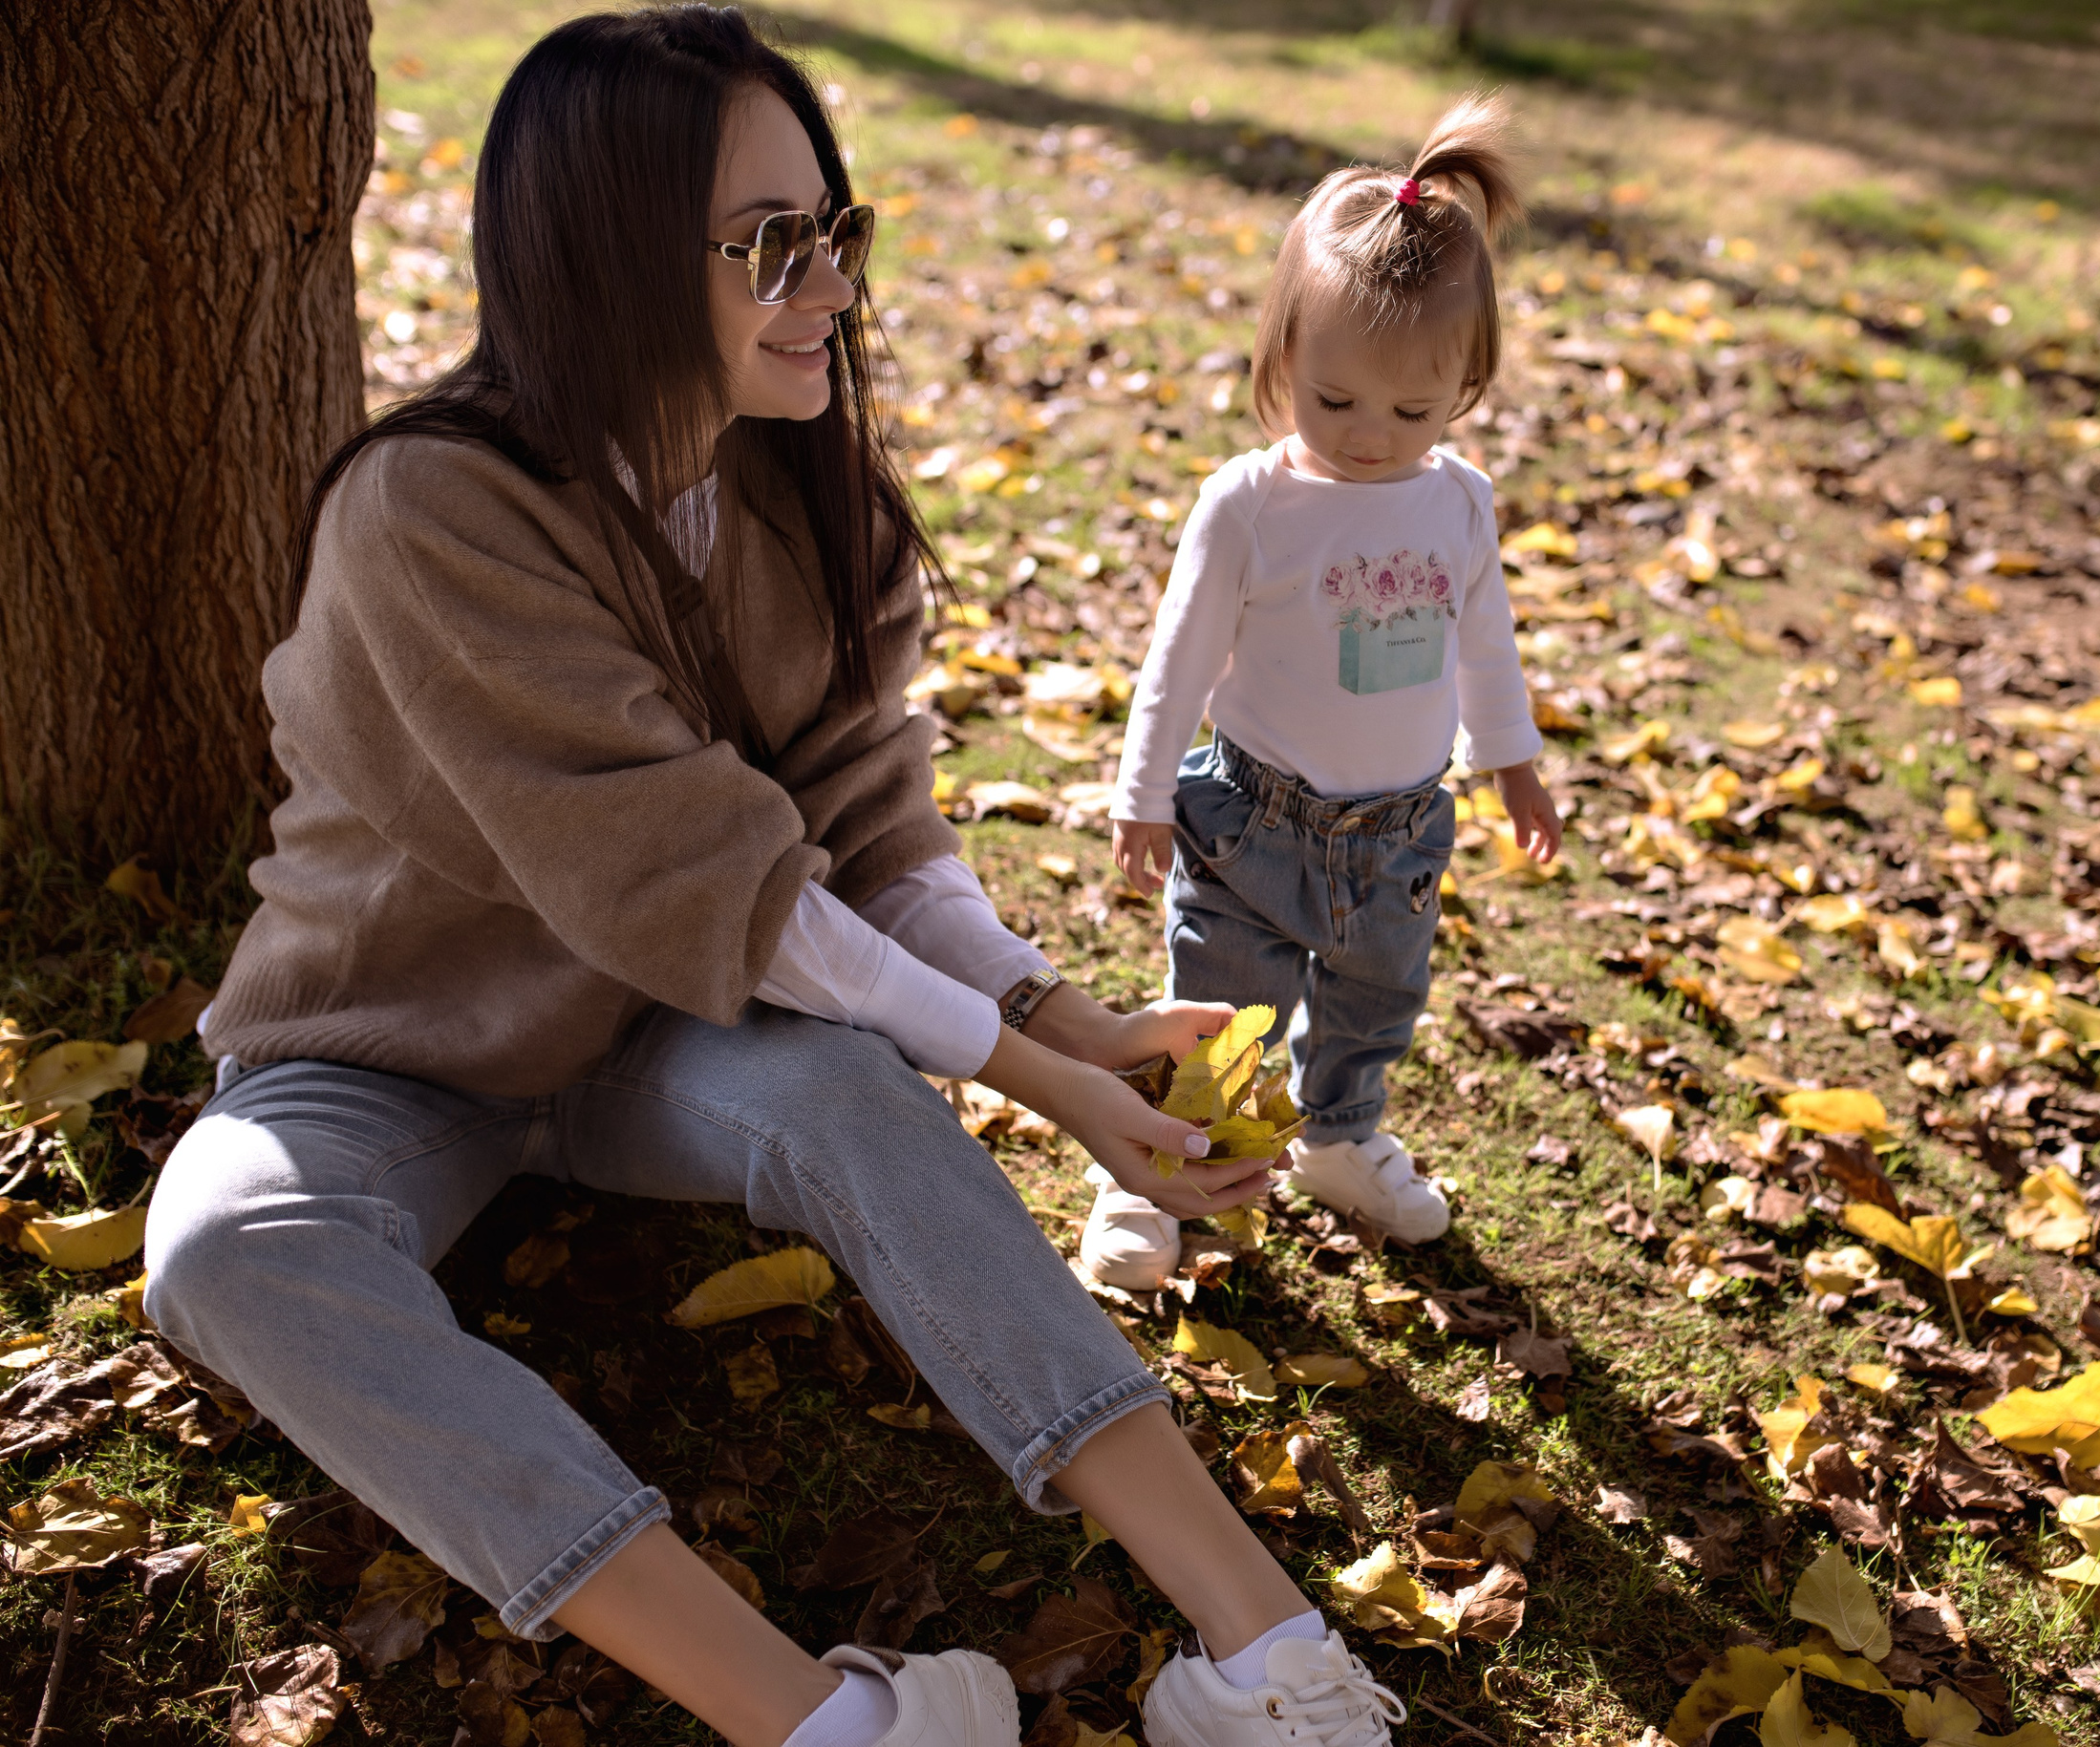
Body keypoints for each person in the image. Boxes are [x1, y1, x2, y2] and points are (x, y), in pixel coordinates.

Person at [141, 11, 1404, 1746]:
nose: (830, 284)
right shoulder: (436, 509)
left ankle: (1267, 1649)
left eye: (837, 232)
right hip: (384, 1053)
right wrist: (1037, 1077)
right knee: (221, 1248)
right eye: (770, 245)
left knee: (850, 1083)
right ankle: (827, 1721)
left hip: (666, 1032)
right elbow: (712, 874)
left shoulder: (798, 497)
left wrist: (1069, 1020)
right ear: (600, 251)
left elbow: (867, 840)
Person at [1091, 96, 1561, 1290]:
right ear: (1282, 359)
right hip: (1256, 819)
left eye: (1412, 410)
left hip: (1400, 829)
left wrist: (1514, 759)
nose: (1368, 436)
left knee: (1373, 999)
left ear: (1466, 382)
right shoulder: (1251, 505)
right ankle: (1148, 1167)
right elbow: (1180, 657)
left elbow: (1485, 640)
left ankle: (1341, 1138)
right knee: (1220, 1006)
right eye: (1335, 399)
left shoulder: (1454, 500)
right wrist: (1143, 794)